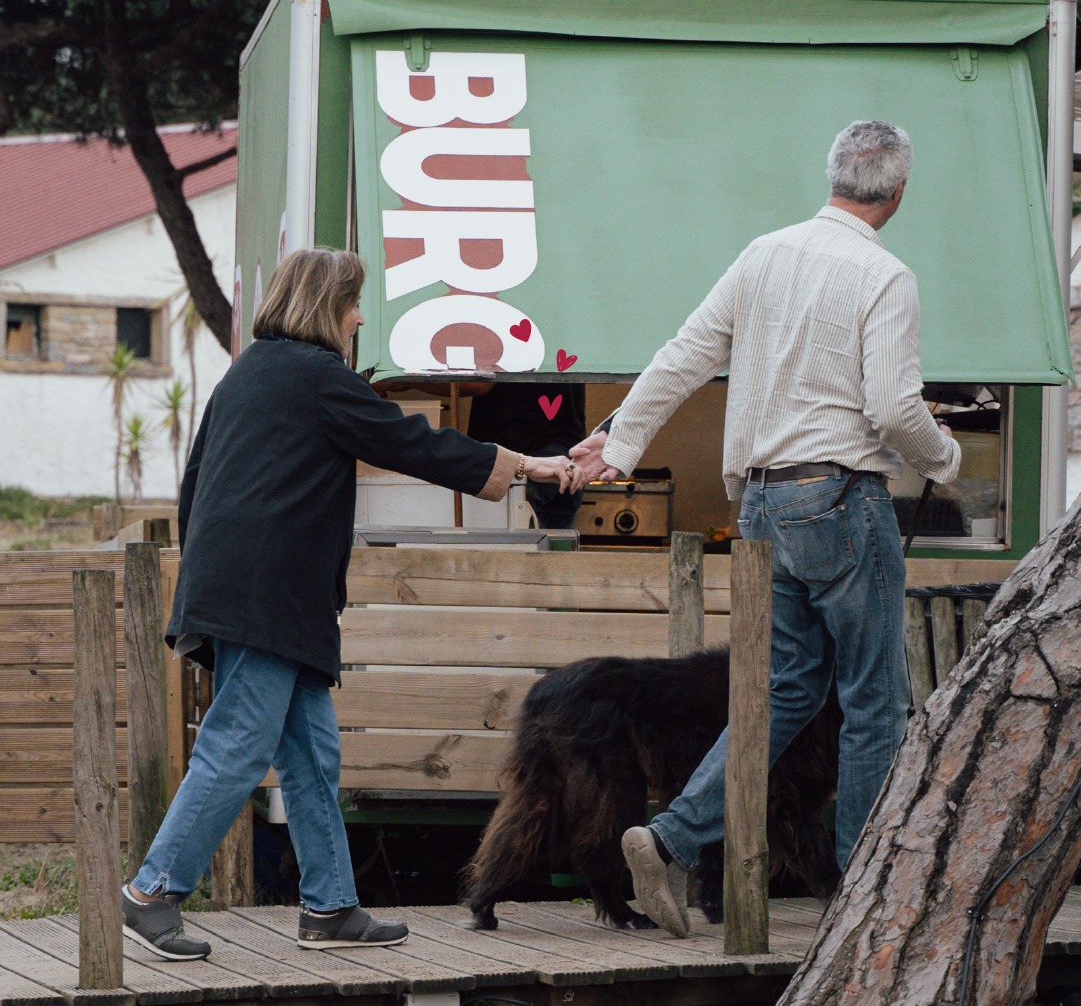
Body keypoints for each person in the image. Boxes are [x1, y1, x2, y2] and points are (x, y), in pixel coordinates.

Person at [121, 248, 584, 962]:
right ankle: (152, 891)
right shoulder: (315, 378)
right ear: (323, 307)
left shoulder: (249, 372)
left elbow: (195, 478)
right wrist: (525, 464)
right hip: (266, 598)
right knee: (238, 744)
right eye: (352, 303)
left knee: (311, 754)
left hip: (261, 595)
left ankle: (330, 905)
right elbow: (411, 442)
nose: (360, 316)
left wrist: (207, 579)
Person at [571, 120, 960, 938]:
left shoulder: (763, 253)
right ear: (895, 192)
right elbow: (892, 408)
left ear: (832, 177)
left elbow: (685, 353)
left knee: (781, 690)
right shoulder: (884, 276)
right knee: (874, 702)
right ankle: (862, 889)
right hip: (840, 500)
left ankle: (672, 835)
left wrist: (623, 442)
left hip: (758, 506)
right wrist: (946, 453)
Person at [466, 381, 587, 530]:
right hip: (567, 450)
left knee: (523, 548)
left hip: (515, 454)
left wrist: (429, 377)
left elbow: (480, 384)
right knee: (557, 546)